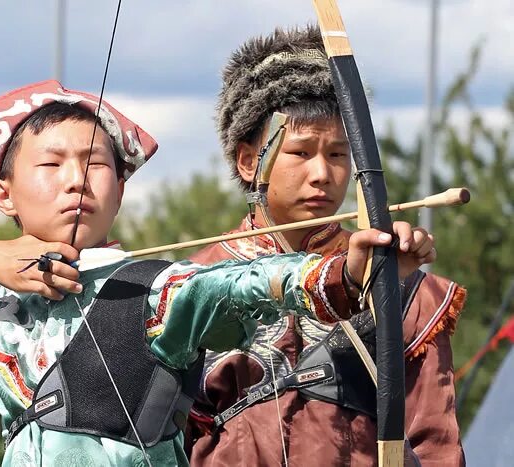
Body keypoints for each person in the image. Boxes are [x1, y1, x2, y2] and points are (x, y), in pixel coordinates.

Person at [0, 80, 435, 467]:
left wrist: (351, 270)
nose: (77, 180)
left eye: (97, 164)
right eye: (51, 164)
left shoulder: (156, 287)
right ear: (3, 192)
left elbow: (244, 285)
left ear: (120, 189)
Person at [185, 25, 466, 466]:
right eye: (301, 152)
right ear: (247, 161)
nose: (322, 173)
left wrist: (385, 278)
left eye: (337, 154)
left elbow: (435, 445)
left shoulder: (404, 286)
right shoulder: (188, 286)